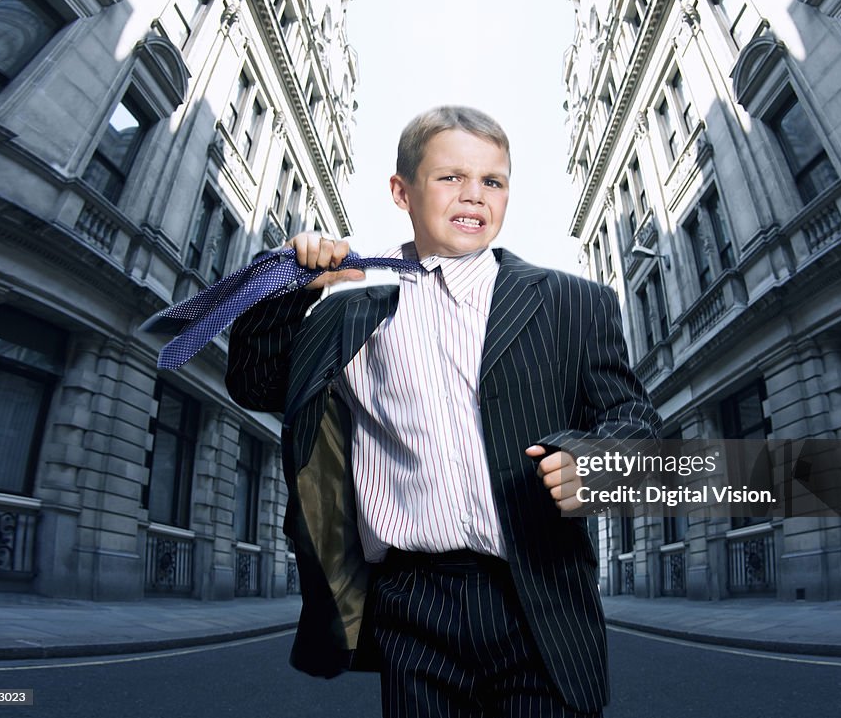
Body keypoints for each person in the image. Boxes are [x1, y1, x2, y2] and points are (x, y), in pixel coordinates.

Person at [226, 105, 661, 717]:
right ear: (402, 191)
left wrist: (594, 461)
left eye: (492, 181)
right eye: (450, 177)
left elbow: (636, 422)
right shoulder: (351, 310)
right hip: (412, 602)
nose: (473, 195)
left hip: (537, 594)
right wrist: (285, 288)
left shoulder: (573, 302)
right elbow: (257, 384)